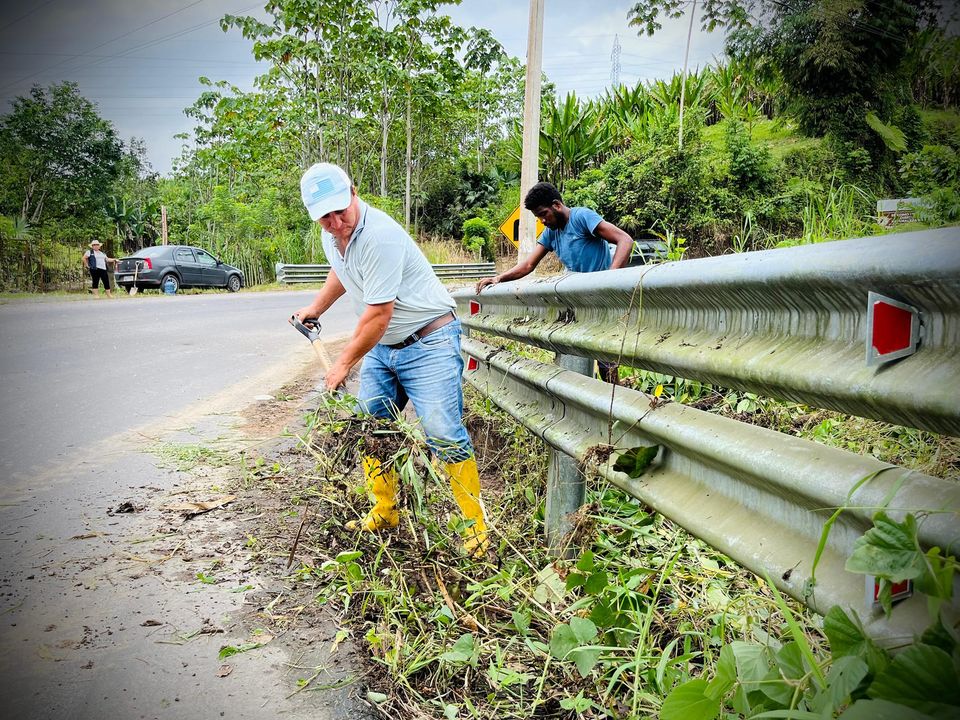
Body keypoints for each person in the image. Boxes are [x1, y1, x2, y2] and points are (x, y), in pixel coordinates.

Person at [292, 162, 487, 557]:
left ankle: (476, 528)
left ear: (353, 192)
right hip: (386, 347)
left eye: (340, 211)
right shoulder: (334, 235)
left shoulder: (379, 235)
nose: (336, 223)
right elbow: (342, 272)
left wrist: (343, 364)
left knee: (443, 431)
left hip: (429, 341)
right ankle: (384, 512)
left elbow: (379, 315)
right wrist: (316, 308)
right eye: (325, 218)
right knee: (373, 427)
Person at [476, 181, 634, 383]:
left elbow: (625, 240)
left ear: (557, 205)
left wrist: (609, 279)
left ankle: (613, 395)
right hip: (578, 300)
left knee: (605, 359)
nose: (542, 221)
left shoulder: (582, 217)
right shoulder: (552, 232)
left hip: (602, 299)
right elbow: (528, 265)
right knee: (572, 349)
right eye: (538, 217)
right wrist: (499, 278)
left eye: (544, 214)